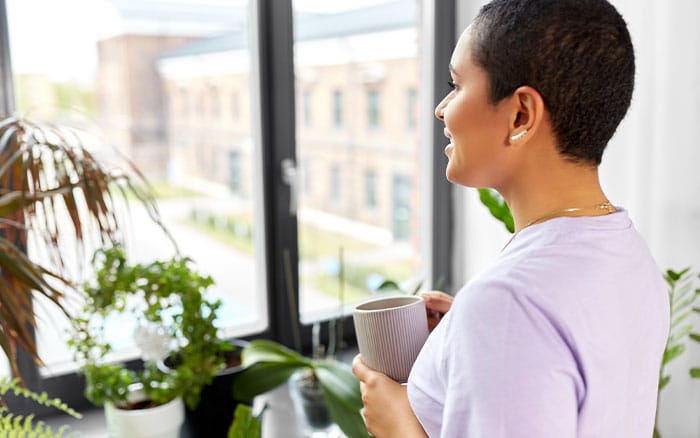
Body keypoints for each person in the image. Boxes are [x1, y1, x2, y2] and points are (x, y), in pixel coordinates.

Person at [351, 0, 670, 436]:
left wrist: (399, 426)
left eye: (456, 84)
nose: (442, 109)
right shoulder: (630, 255)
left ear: (520, 115)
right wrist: (466, 336)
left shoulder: (508, 303)